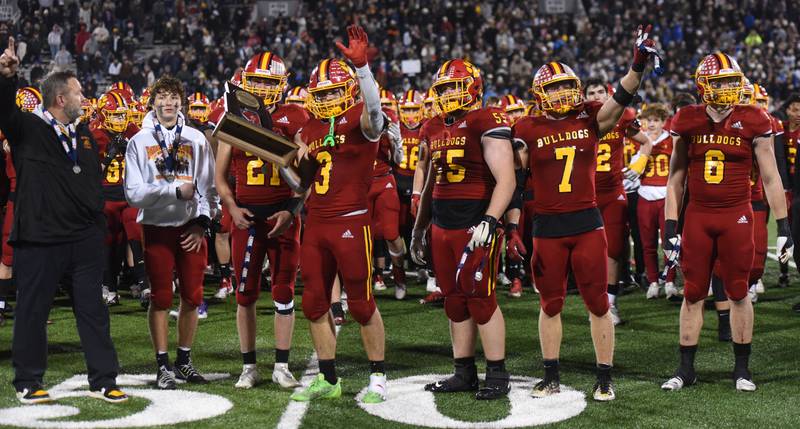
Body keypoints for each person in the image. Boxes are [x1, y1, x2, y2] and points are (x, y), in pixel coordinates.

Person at [508, 25, 659, 401]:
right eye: (554, 87)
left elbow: (622, 96)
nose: (561, 92)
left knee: (597, 303)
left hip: (587, 221)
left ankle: (605, 377)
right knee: (550, 303)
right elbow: (515, 180)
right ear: (540, 94)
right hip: (547, 226)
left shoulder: (591, 118)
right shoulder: (525, 127)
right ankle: (551, 375)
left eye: (566, 85)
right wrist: (511, 225)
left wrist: (637, 64)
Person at [0, 37, 127, 404]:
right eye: (79, 93)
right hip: (40, 239)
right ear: (60, 99)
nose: (85, 98)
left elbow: (88, 184)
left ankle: (104, 379)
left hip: (83, 241)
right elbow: (3, 111)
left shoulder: (83, 136)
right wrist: (6, 77)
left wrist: (96, 226)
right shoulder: (26, 128)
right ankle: (28, 381)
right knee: (32, 312)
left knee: (94, 313)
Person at [661, 53, 792, 392]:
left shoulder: (753, 118)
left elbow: (771, 177)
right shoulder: (687, 118)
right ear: (704, 85)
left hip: (737, 214)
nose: (729, 88)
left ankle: (742, 369)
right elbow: (675, 178)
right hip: (699, 215)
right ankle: (685, 368)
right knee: (692, 293)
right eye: (721, 82)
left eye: (733, 81)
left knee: (738, 291)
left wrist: (785, 226)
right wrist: (671, 226)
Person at [290, 25, 388, 403]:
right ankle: (328, 378)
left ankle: (378, 377)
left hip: (352, 219)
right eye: (322, 93)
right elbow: (302, 183)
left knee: (362, 303)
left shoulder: (362, 117)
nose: (328, 98)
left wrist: (362, 69)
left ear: (347, 90)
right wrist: (292, 165)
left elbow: (376, 114)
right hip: (315, 222)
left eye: (333, 91)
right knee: (314, 302)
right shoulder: (308, 128)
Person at [410, 58, 515, 400]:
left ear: (473, 87)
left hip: (475, 223)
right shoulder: (431, 127)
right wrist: (418, 228)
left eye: (455, 86)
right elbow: (429, 185)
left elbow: (507, 179)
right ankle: (463, 371)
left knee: (481, 300)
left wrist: (490, 219)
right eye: (442, 88)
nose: (449, 94)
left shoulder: (485, 119)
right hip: (442, 225)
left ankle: (497, 374)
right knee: (454, 302)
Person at [212, 51, 307, 390]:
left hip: (282, 213)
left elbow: (306, 176)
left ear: (282, 85)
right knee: (245, 294)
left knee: (283, 292)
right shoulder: (235, 116)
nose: (263, 90)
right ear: (246, 83)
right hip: (247, 217)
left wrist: (293, 210)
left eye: (270, 83)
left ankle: (282, 366)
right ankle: (248, 366)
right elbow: (220, 176)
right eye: (257, 82)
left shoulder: (297, 116)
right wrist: (232, 208)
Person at [124, 76, 218, 390]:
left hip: (190, 229)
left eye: (174, 96)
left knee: (193, 296)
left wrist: (201, 222)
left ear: (182, 101)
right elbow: (134, 195)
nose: (168, 102)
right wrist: (174, 191)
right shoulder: (138, 141)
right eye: (162, 96)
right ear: (152, 102)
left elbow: (208, 188)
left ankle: (184, 361)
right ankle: (162, 364)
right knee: (162, 298)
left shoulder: (195, 138)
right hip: (157, 228)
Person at [583, 79, 652, 321]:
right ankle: (594, 296)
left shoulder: (622, 115)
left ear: (608, 93)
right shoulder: (579, 119)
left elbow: (646, 143)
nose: (597, 96)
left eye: (600, 91)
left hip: (613, 193)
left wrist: (639, 164)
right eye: (591, 92)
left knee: (613, 249)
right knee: (586, 252)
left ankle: (610, 303)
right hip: (583, 195)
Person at [91, 89, 143, 306]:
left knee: (134, 240)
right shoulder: (95, 135)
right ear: (104, 115)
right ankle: (109, 286)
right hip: (106, 197)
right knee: (109, 244)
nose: (121, 120)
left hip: (129, 196)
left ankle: (143, 284)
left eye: (123, 115)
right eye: (116, 115)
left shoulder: (133, 131)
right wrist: (110, 154)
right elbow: (90, 174)